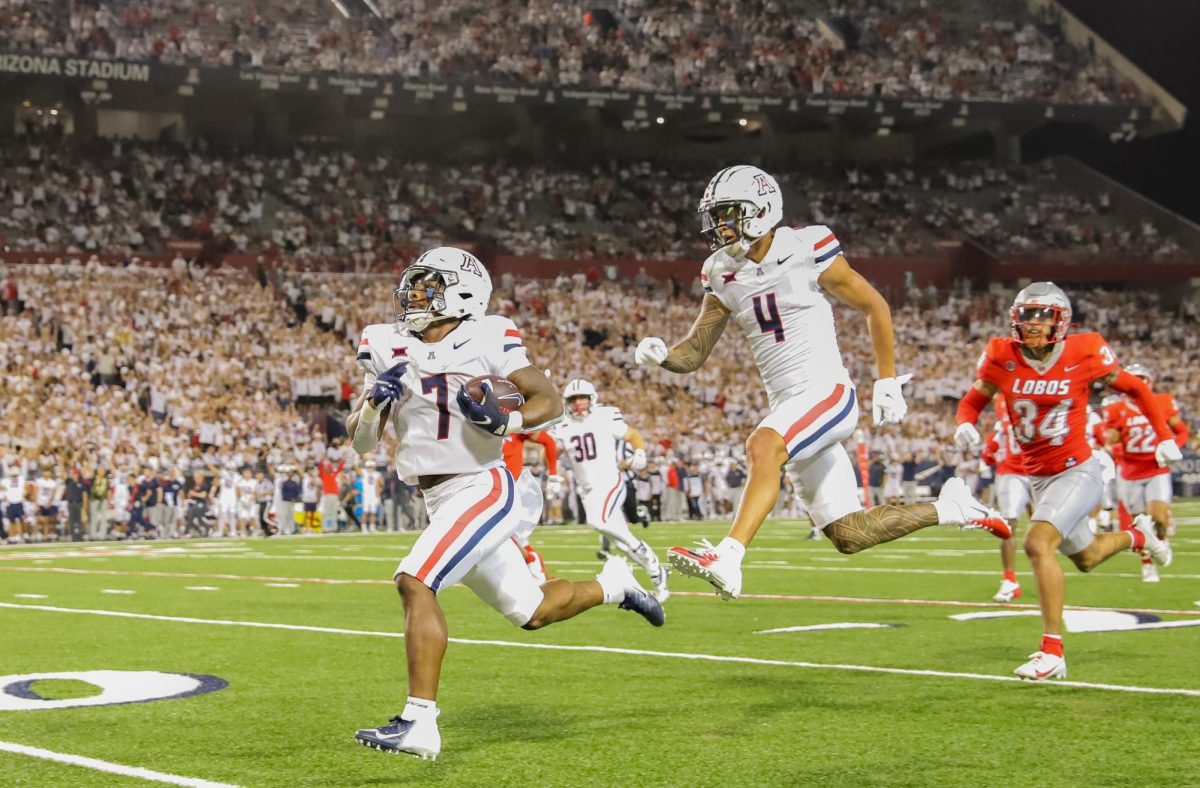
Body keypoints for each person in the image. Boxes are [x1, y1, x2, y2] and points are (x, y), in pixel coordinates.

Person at [347, 247, 664, 761]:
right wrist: (371, 406)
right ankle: (614, 584)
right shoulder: (385, 343)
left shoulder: (489, 334)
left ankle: (419, 722)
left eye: (429, 284)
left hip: (482, 486)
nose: (414, 294)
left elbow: (549, 400)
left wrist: (507, 422)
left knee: (414, 580)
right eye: (416, 283)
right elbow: (362, 443)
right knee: (532, 610)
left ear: (463, 293)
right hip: (437, 496)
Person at [636, 165, 1007, 599]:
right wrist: (663, 358)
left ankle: (729, 557)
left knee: (763, 445)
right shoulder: (719, 270)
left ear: (760, 210)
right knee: (850, 534)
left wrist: (885, 380)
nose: (720, 225)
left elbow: (874, 306)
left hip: (826, 393)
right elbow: (695, 351)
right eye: (716, 216)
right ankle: (952, 507)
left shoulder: (807, 246)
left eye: (729, 213)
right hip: (790, 406)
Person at [954, 282, 1180, 680]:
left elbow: (1137, 388)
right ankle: (1138, 537)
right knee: (1088, 558)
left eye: (1042, 316)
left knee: (1037, 543)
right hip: (1037, 475)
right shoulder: (1000, 354)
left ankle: (1052, 651)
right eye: (1027, 315)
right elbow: (974, 398)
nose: (1033, 324)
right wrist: (966, 423)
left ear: (1061, 321)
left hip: (1077, 469)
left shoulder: (1085, 349)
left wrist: (1164, 437)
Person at [550, 378, 668, 600]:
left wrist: (640, 452)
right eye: (573, 400)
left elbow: (632, 435)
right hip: (587, 490)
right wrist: (553, 474)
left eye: (582, 398)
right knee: (621, 541)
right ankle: (656, 572)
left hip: (610, 481)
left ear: (592, 399)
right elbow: (552, 452)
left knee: (598, 521)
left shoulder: (605, 416)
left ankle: (650, 561)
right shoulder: (563, 425)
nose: (578, 404)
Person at [1103, 363, 1188, 582]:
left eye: (1141, 378)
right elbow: (1111, 439)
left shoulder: (1162, 402)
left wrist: (1173, 446)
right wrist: (1111, 438)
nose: (1138, 382)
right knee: (1140, 523)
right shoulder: (1117, 409)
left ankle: (1161, 540)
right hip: (1130, 473)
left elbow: (1181, 430)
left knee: (1159, 518)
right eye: (1134, 378)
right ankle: (1147, 565)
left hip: (1156, 468)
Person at [979, 394, 1030, 602]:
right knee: (1008, 525)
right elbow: (990, 451)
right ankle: (1010, 580)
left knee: (1048, 528)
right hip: (1013, 471)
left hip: (1043, 470)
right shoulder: (1003, 405)